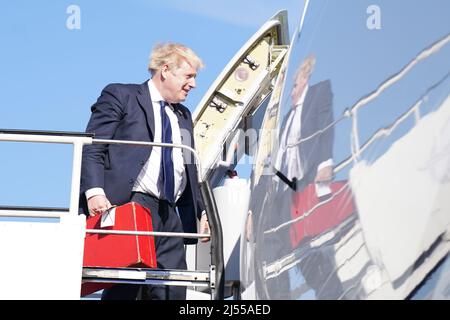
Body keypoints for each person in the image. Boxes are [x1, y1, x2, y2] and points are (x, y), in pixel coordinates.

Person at [79, 42, 209, 300]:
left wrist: (202, 210)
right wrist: (94, 192)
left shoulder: (183, 115)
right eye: (189, 76)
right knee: (127, 287)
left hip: (170, 213)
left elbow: (189, 169)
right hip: (132, 205)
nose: (193, 84)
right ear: (165, 70)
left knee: (172, 289)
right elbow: (93, 147)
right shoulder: (121, 95)